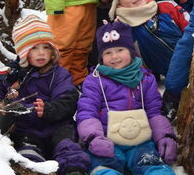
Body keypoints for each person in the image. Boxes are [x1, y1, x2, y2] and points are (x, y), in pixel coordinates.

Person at [0, 15, 89, 175]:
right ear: (23, 51)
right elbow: (2, 96)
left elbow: (68, 100)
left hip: (58, 127)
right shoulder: (13, 74)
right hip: (27, 130)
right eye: (34, 48)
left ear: (52, 50)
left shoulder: (59, 74)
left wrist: (48, 109)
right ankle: (35, 169)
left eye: (46, 47)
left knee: (69, 150)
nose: (41, 53)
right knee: (28, 156)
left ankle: (73, 171)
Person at [76, 20, 178, 175]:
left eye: (120, 50)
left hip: (140, 140)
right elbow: (87, 112)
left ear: (131, 51)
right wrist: (93, 138)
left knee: (153, 166)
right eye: (107, 53)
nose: (114, 56)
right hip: (106, 141)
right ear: (101, 58)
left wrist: (164, 136)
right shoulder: (95, 80)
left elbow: (154, 112)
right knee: (104, 168)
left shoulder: (145, 78)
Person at [106, 0, 188, 79]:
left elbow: (192, 31)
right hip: (162, 77)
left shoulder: (167, 7)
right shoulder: (121, 29)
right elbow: (128, 62)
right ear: (118, 3)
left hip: (192, 61)